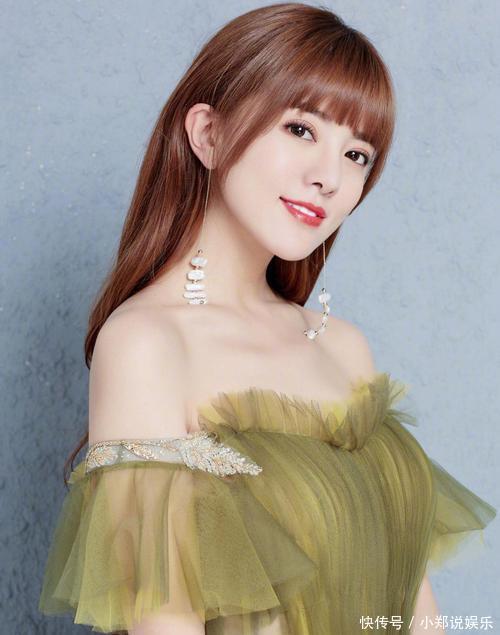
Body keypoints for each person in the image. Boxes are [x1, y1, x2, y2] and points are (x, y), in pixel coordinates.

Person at [38, 3, 496, 634]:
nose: (328, 177)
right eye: (301, 129)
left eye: (357, 154)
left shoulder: (343, 347)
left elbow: (413, 608)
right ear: (208, 134)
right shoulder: (147, 344)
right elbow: (163, 622)